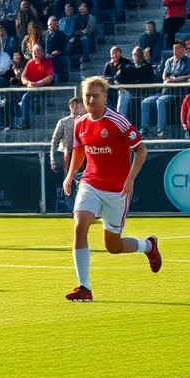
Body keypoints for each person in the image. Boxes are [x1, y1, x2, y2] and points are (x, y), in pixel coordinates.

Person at [61, 76, 162, 302]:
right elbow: (79, 151)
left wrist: (130, 179)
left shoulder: (118, 122)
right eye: (87, 95)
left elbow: (141, 151)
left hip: (117, 190)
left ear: (105, 97)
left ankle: (148, 245)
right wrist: (69, 175)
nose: (90, 100)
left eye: (95, 96)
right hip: (90, 182)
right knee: (80, 225)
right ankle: (84, 287)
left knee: (113, 246)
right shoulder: (80, 123)